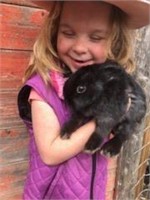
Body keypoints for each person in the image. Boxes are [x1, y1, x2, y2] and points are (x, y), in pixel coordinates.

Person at [18, 1, 150, 199]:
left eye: (95, 37)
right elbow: (50, 153)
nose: (80, 47)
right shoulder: (43, 88)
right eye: (69, 33)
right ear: (55, 32)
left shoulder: (105, 82)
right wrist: (108, 116)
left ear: (115, 41)